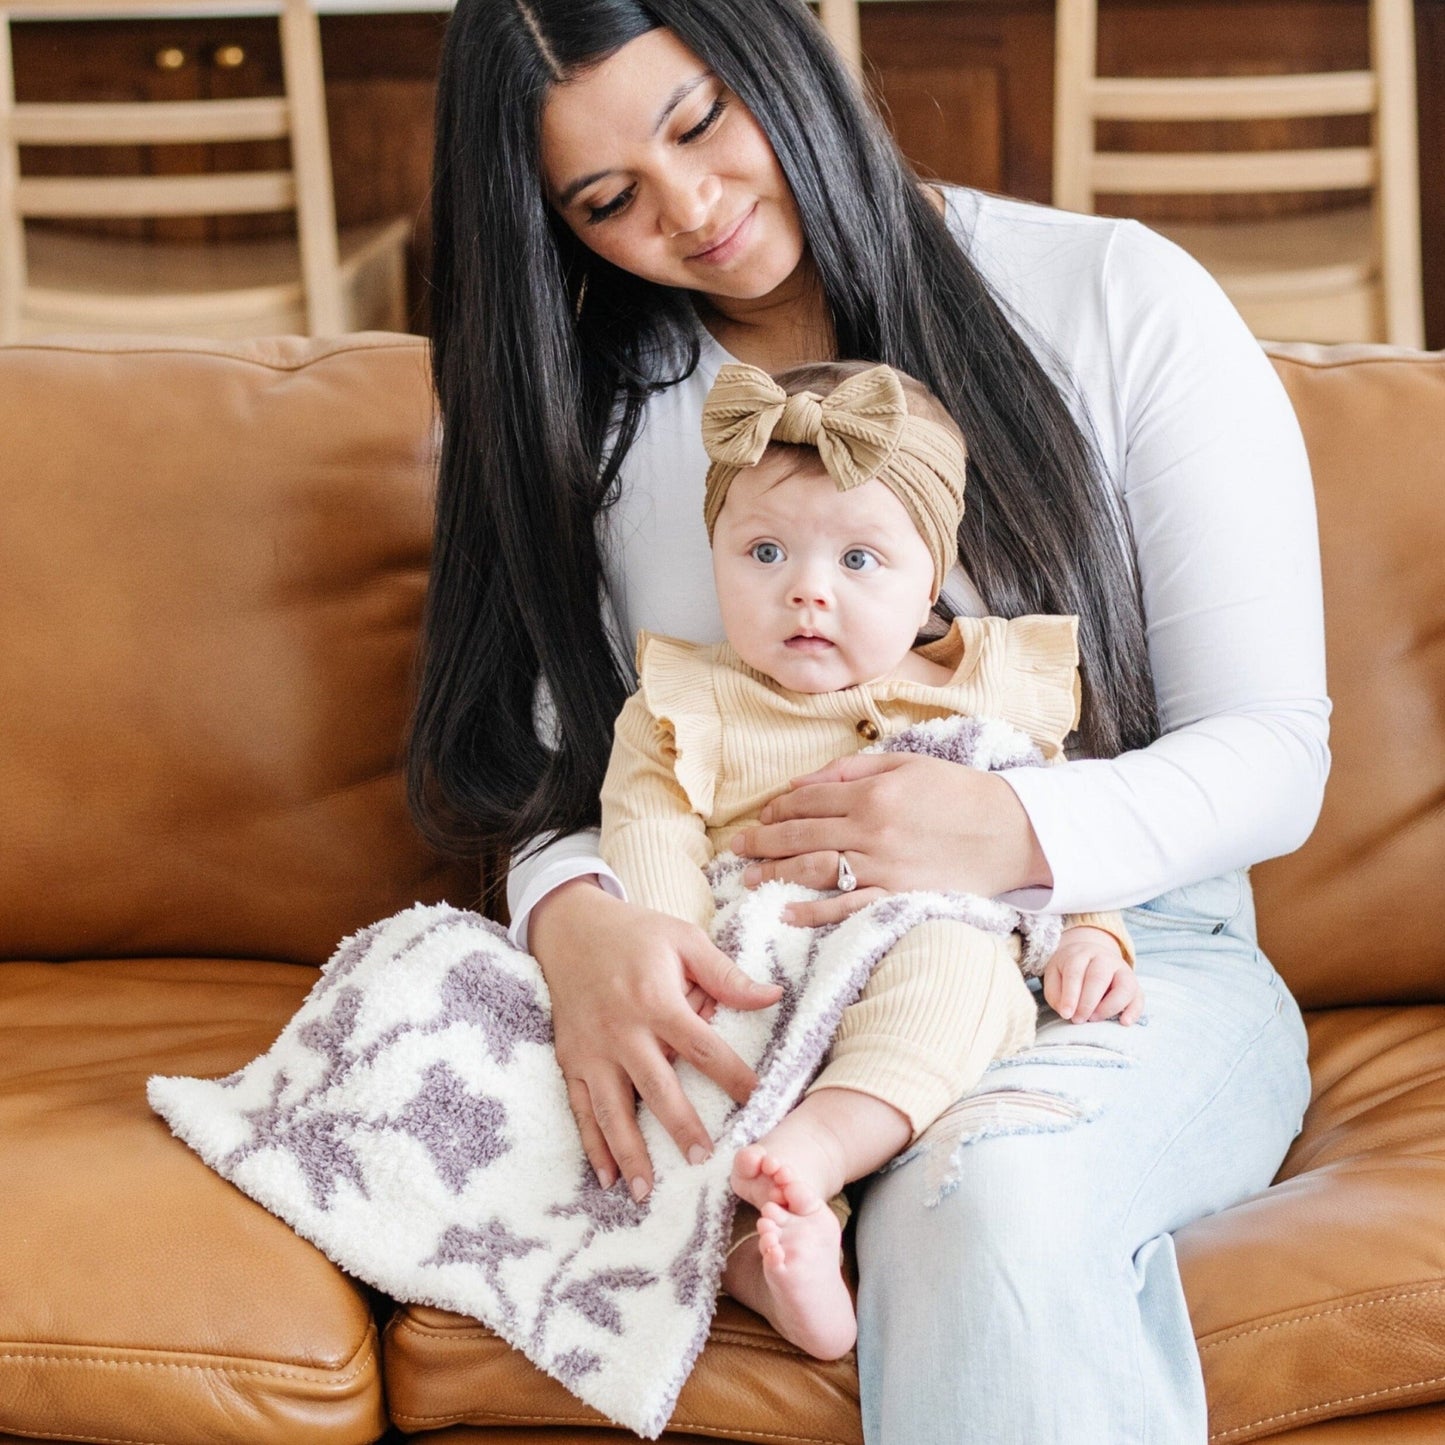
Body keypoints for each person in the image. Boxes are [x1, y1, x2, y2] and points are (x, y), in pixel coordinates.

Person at [409, 0, 1325, 1437]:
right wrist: (575, 919)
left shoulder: (1108, 295)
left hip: (1121, 956)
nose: (693, 211)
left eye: (702, 121)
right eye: (606, 200)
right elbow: (555, 777)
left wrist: (1009, 826)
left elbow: (1275, 748)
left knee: (991, 1203)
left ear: (780, 55)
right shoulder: (568, 412)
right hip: (758, 976)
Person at [600, 356, 1141, 1360]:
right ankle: (753, 1251)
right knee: (675, 1063)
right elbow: (648, 830)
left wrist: (1096, 934)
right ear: (713, 552)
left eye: (857, 562)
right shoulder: (683, 703)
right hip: (750, 956)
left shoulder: (981, 692)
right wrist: (681, 954)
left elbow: (1055, 828)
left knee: (955, 964)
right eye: (763, 550)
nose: (805, 591)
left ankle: (812, 1157)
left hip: (912, 941)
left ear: (928, 580)